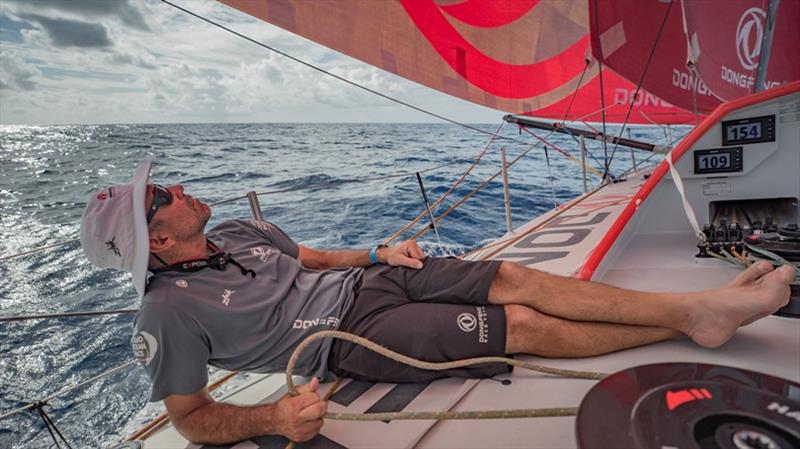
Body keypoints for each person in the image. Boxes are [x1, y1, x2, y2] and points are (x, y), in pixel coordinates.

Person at [80, 160, 793, 445]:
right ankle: (694, 317)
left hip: (373, 283)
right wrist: (272, 416)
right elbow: (190, 418)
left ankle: (694, 309)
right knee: (521, 325)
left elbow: (315, 258)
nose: (174, 187)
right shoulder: (168, 313)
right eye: (160, 197)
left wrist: (379, 253)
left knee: (513, 275)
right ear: (159, 240)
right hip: (349, 334)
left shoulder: (236, 226)